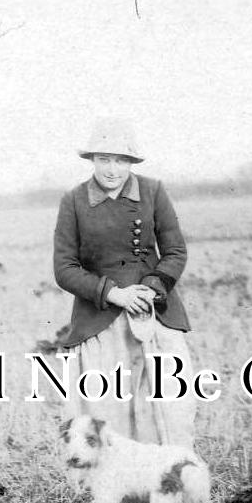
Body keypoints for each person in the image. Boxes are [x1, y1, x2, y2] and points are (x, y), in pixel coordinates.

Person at [52, 117, 197, 449]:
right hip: (101, 320)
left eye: (120, 160)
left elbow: (174, 250)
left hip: (154, 314)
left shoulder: (153, 191)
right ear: (92, 160)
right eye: (104, 159)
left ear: (131, 161)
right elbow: (64, 267)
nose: (112, 169)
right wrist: (114, 294)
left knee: (170, 409)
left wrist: (149, 288)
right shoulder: (73, 201)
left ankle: (170, 483)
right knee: (108, 413)